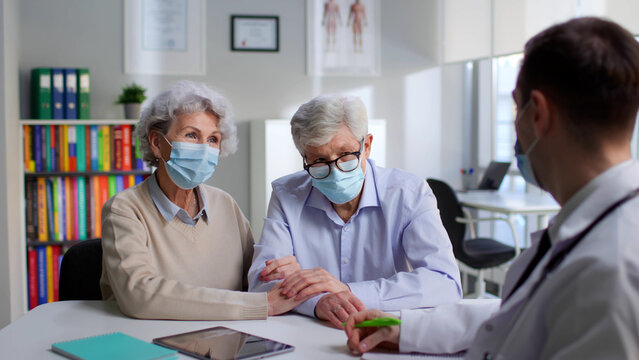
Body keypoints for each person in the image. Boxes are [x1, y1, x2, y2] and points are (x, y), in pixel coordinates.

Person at [344, 17, 639, 359]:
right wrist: (408, 327)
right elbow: (520, 310)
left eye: (516, 106)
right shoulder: (597, 226)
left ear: (538, 114)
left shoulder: (613, 271)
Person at [248, 94, 462, 328]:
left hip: (384, 330)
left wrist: (348, 291)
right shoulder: (287, 194)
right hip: (309, 333)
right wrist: (319, 302)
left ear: (367, 146)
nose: (336, 172)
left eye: (346, 155)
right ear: (304, 158)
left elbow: (445, 282)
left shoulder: (408, 193)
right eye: (319, 160)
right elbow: (263, 284)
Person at [100, 81, 308, 320]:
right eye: (191, 135)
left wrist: (283, 274)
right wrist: (260, 305)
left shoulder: (225, 204)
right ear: (157, 143)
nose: (204, 149)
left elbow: (257, 281)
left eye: (213, 139)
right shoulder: (125, 209)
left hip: (226, 342)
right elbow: (139, 295)